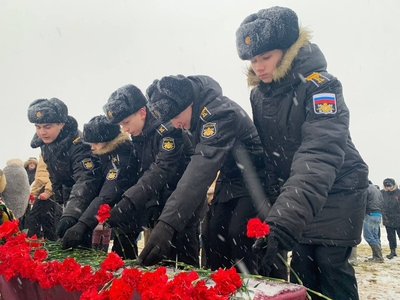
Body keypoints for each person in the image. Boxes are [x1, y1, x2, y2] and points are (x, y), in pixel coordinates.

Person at [235, 6, 368, 299]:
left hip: (337, 188)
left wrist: (285, 218)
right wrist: (274, 209)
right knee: (303, 270)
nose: (258, 67)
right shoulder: (259, 95)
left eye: (266, 57)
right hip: (299, 196)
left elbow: (320, 151)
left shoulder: (321, 85)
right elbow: (273, 157)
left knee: (330, 267)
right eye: (254, 60)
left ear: (289, 49)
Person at [143, 74, 269, 275]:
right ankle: (220, 289)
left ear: (189, 103)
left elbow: (201, 169)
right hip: (228, 182)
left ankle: (252, 290)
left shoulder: (219, 113)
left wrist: (167, 224)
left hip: (254, 182)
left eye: (176, 117)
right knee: (212, 235)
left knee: (239, 235)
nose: (176, 124)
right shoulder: (195, 118)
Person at [103, 84, 201, 266]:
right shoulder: (141, 135)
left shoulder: (167, 129)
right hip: (163, 205)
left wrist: (129, 201)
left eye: (125, 122)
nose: (124, 129)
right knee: (163, 264)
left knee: (186, 263)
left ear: (141, 112)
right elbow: (144, 172)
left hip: (183, 205)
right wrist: (151, 203)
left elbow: (161, 169)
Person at [27, 97, 103, 247]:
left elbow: (86, 180)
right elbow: (53, 172)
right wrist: (61, 200)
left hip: (87, 200)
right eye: (38, 127)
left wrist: (71, 213)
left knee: (81, 245)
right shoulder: (47, 143)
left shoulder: (79, 145)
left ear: (61, 124)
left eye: (47, 127)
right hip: (66, 198)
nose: (42, 132)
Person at [61, 115, 138, 256]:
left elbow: (107, 195)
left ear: (107, 140)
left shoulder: (120, 160)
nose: (91, 147)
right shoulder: (106, 155)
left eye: (95, 142)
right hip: (118, 216)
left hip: (127, 217)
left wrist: (82, 224)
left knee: (124, 255)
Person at [20, 155, 57, 239]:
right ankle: (49, 242)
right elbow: (39, 178)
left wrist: (48, 190)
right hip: (43, 187)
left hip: (48, 188)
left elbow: (55, 173)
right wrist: (33, 194)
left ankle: (30, 241)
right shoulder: (44, 151)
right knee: (47, 219)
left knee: (34, 218)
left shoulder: (52, 150)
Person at [363, 182, 384, 262]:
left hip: (369, 214)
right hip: (378, 214)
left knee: (368, 236)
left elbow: (363, 202)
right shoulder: (376, 190)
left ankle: (378, 257)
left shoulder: (366, 189)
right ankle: (378, 256)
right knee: (375, 235)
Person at [381, 178, 400, 259]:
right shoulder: (382, 193)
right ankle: (393, 251)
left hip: (398, 218)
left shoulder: (398, 193)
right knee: (390, 236)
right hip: (387, 218)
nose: (388, 187)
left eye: (390, 185)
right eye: (386, 186)